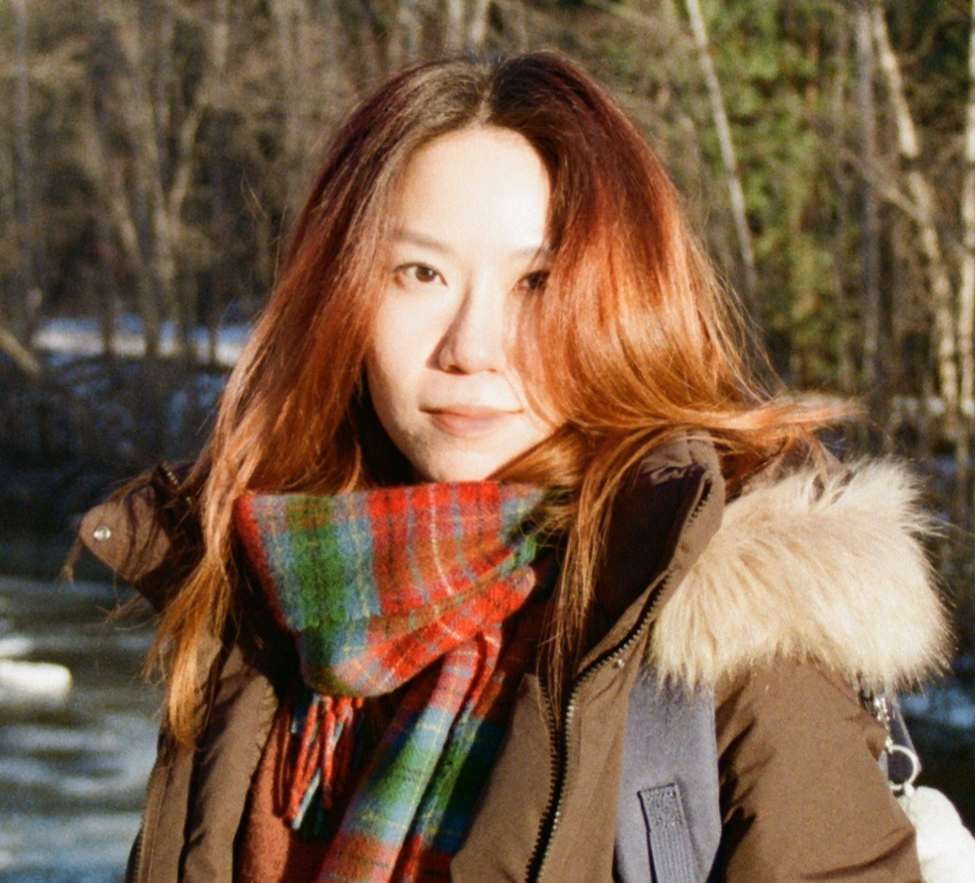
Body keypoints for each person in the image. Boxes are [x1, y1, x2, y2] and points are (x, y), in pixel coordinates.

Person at [78, 52, 950, 883]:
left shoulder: (725, 618)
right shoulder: (269, 596)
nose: (471, 347)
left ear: (624, 302)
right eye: (420, 272)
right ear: (341, 294)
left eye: (537, 281)